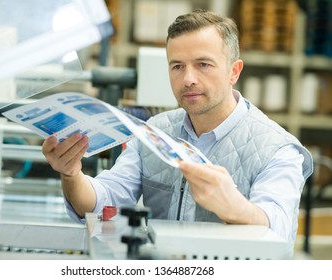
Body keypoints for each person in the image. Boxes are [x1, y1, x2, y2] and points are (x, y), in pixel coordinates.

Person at [42, 9, 313, 257]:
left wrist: (234, 206)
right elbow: (104, 201)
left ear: (234, 71)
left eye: (203, 64)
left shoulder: (278, 149)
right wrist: (71, 174)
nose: (188, 79)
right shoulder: (155, 132)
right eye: (177, 66)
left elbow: (277, 232)